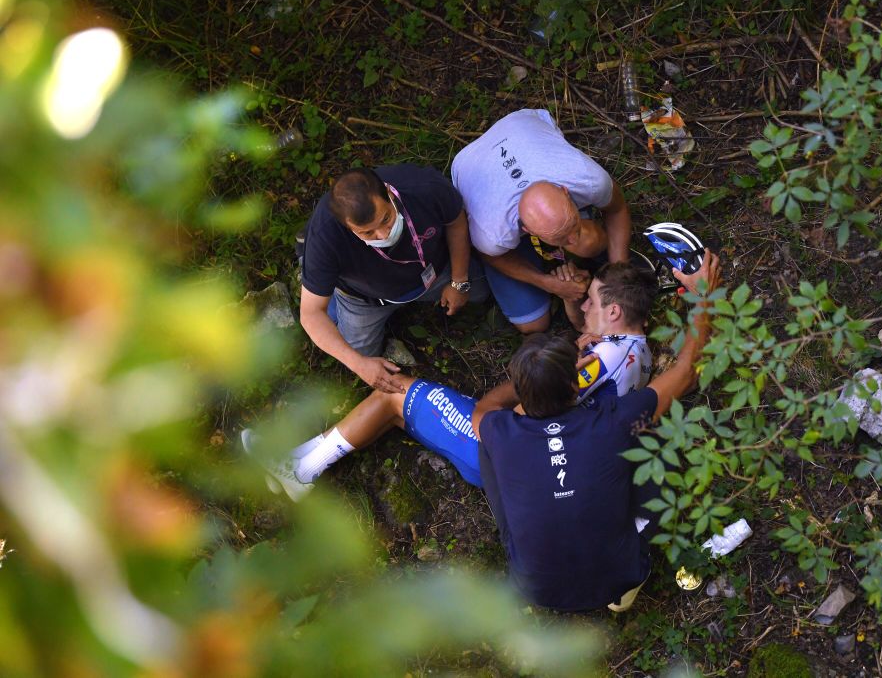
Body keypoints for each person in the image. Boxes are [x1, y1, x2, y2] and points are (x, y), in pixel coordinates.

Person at [241, 262, 659, 502]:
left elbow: (530, 410)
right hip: (550, 467)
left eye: (593, 297)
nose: (585, 300)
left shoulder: (600, 360)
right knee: (407, 414)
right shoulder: (636, 351)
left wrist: (501, 402)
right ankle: (299, 460)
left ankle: (300, 470)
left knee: (398, 392)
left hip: (510, 457)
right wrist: (574, 307)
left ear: (616, 311)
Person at [470, 250, 721, 613]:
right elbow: (685, 372)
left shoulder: (501, 431)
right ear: (577, 384)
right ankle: (627, 582)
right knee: (653, 437)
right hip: (620, 574)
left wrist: (532, 380)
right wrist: (702, 297)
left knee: (486, 449)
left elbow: (482, 410)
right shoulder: (614, 420)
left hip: (537, 588)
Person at [299, 165, 488, 393]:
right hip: (365, 300)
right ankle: (316, 279)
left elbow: (455, 221)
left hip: (434, 271)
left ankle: (317, 280)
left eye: (386, 218)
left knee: (479, 290)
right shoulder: (326, 236)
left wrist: (459, 280)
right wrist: (359, 364)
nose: (383, 234)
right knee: (357, 353)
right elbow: (310, 314)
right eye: (367, 233)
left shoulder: (423, 186)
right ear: (347, 227)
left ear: (389, 192)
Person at [451, 109, 634, 334]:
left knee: (588, 242)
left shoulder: (588, 178)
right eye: (561, 237)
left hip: (521, 123)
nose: (572, 239)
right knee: (533, 324)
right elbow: (492, 256)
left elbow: (616, 210)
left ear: (565, 192)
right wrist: (548, 283)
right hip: (468, 162)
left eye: (572, 225)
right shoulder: (493, 234)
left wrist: (619, 276)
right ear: (526, 230)